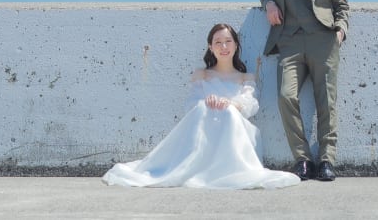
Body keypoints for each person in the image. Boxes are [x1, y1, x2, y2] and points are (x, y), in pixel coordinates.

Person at [101, 23, 300, 189]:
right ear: (210, 47)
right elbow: (191, 107)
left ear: (236, 45)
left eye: (228, 41)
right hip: (205, 131)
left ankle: (232, 166)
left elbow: (251, 105)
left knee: (229, 112)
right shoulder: (202, 75)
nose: (223, 47)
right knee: (206, 109)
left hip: (236, 131)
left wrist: (231, 103)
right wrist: (207, 102)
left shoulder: (245, 78)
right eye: (218, 43)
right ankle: (200, 165)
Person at [260, 0, 350, 182]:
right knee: (286, 96)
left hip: (323, 38)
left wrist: (340, 31)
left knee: (327, 102)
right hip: (288, 41)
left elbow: (342, 5)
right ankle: (302, 159)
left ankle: (326, 160)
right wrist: (269, 4)